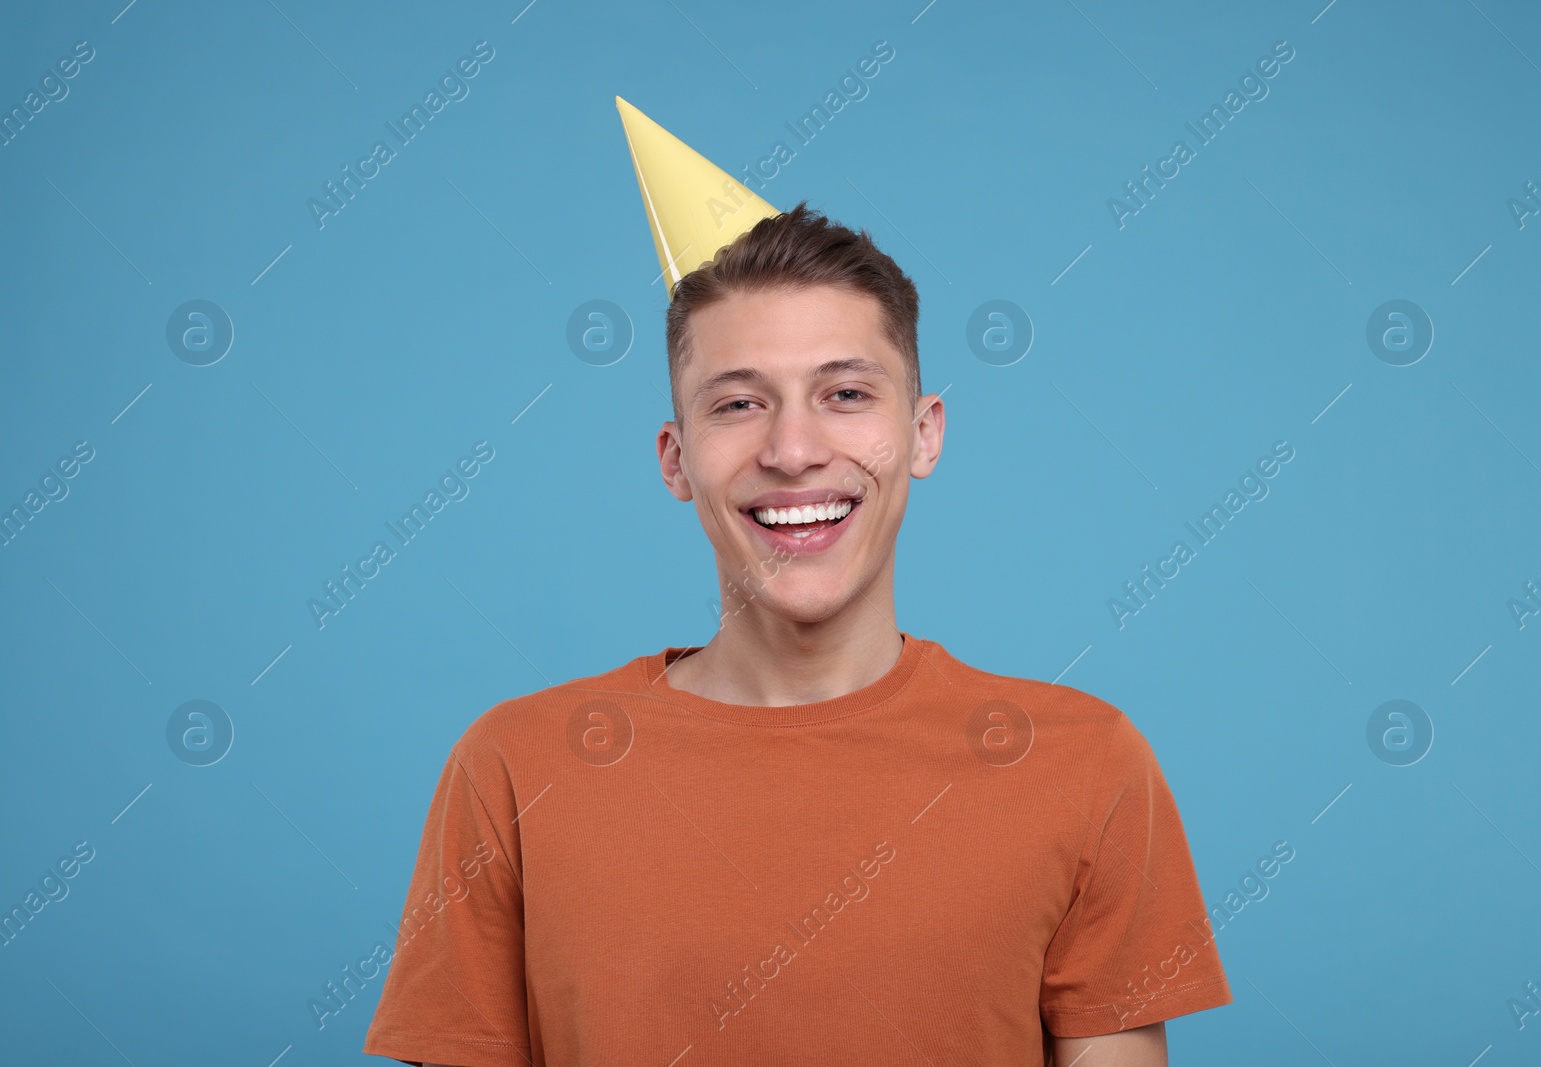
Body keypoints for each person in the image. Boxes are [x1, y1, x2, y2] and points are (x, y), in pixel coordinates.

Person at [363, 99, 1230, 1067]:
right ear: (675, 457)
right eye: (738, 403)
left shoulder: (1086, 763)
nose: (791, 448)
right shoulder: (515, 767)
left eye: (845, 393)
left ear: (923, 432)